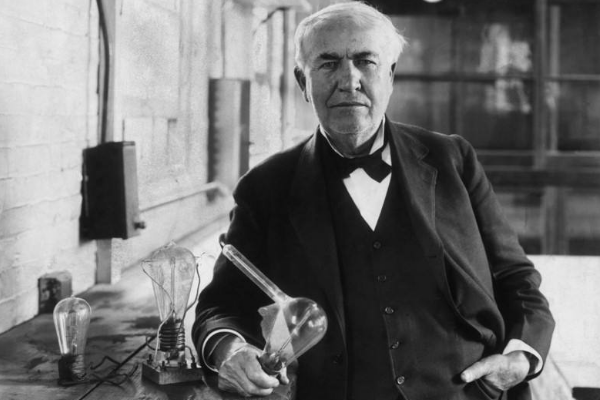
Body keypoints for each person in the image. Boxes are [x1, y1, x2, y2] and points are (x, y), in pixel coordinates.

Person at [192, 2, 555, 400]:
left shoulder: (452, 160)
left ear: (390, 76)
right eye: (328, 64)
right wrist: (230, 351)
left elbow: (515, 276)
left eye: (365, 61)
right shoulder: (265, 188)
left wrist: (522, 358)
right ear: (302, 82)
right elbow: (218, 308)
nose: (349, 80)